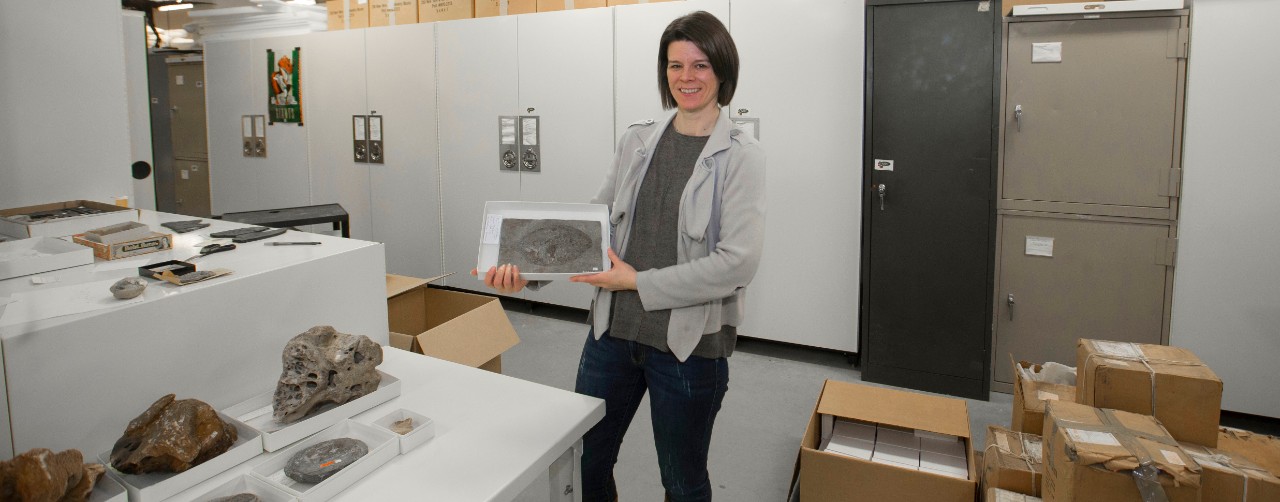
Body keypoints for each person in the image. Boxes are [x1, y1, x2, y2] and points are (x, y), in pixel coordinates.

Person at [474, 11, 765, 502]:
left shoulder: (741, 155)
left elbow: (737, 263)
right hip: (612, 335)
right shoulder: (637, 140)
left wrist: (637, 282)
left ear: (722, 71)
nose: (686, 78)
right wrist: (529, 269)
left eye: (699, 65)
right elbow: (594, 224)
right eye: (674, 66)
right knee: (588, 458)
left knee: (682, 480)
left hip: (689, 347)